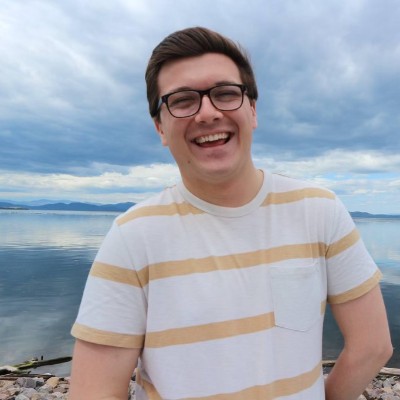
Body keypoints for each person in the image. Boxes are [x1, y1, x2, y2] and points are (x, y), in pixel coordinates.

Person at [69, 27, 392, 400]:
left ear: (252, 110)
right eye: (183, 100)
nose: (208, 113)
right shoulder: (132, 236)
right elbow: (94, 392)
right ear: (160, 127)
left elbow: (372, 346)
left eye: (225, 93)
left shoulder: (320, 211)